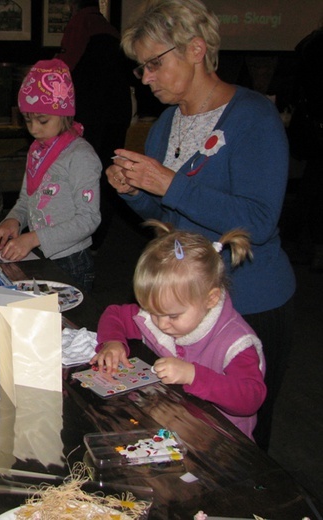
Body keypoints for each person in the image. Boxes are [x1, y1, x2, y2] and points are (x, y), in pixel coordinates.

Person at [105, 0, 294, 452]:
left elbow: (260, 222)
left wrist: (168, 183)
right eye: (141, 68)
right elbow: (174, 222)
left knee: (241, 442)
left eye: (154, 64)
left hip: (249, 302)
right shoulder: (167, 123)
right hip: (183, 306)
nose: (146, 78)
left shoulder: (254, 118)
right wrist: (135, 193)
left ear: (195, 49)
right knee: (186, 429)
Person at [92, 221, 266, 440]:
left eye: (173, 316)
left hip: (220, 443)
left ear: (210, 299)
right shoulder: (163, 311)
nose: (162, 324)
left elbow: (250, 399)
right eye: (153, 312)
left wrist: (193, 375)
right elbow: (115, 314)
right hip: (171, 426)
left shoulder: (236, 343)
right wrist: (112, 342)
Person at [0, 58, 101, 294]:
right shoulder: (37, 150)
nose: (34, 129)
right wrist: (14, 219)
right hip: (40, 251)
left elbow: (89, 219)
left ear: (65, 113)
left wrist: (33, 238)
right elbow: (26, 198)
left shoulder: (81, 156)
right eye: (28, 120)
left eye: (42, 120)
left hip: (71, 260)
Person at [56, 0, 134, 253]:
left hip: (91, 112)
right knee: (107, 172)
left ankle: (79, 238)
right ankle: (95, 240)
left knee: (82, 173)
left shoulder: (81, 23)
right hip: (116, 111)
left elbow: (65, 66)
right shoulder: (109, 28)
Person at [287, 16, 323, 271]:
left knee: (313, 189)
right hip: (317, 129)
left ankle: (308, 245)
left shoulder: (312, 43)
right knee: (314, 189)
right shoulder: (314, 45)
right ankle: (310, 246)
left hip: (315, 130)